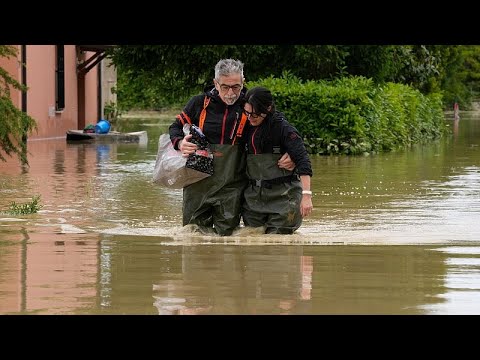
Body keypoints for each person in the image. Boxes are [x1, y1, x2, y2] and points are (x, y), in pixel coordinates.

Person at [169, 59, 294, 236]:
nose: (230, 93)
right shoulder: (198, 103)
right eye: (225, 87)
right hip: (196, 184)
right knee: (191, 235)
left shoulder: (251, 104)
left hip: (233, 186)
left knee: (226, 239)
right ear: (215, 83)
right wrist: (180, 142)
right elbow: (175, 127)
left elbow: (282, 129)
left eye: (236, 87)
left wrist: (292, 152)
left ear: (243, 82)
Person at [241, 86, 313, 234]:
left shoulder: (284, 129)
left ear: (268, 108)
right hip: (253, 199)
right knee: (252, 239)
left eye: (255, 114)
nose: (250, 118)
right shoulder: (245, 127)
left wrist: (306, 197)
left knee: (279, 245)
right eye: (247, 113)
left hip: (284, 199)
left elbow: (303, 162)